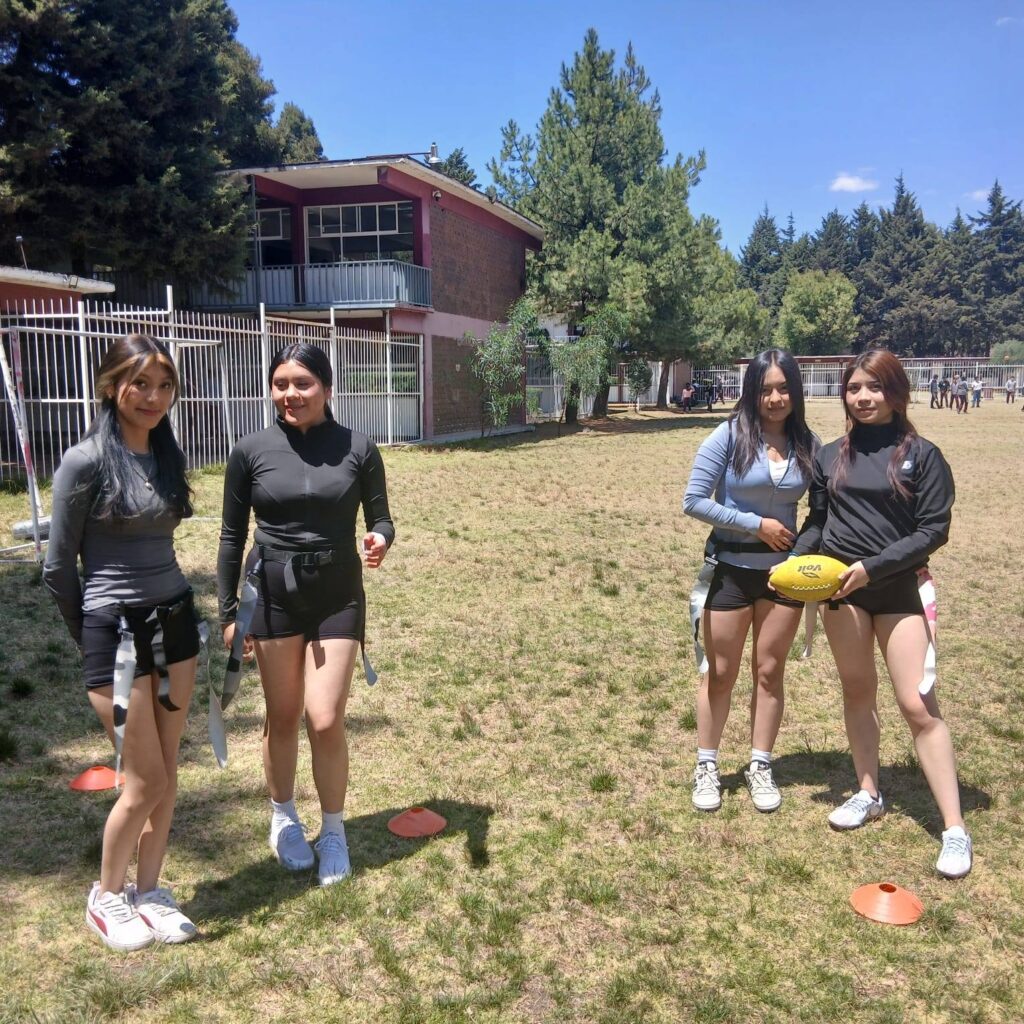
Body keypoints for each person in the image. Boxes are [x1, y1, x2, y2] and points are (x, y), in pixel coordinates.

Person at [43, 334, 201, 950]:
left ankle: (149, 891)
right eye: (140, 384)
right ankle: (106, 896)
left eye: (164, 385)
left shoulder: (165, 452)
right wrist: (93, 643)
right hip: (116, 633)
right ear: (113, 385)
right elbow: (59, 569)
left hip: (177, 622)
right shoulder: (84, 462)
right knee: (143, 781)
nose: (154, 397)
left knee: (168, 769)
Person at [217, 343, 395, 886]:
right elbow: (230, 537)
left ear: (327, 388)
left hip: (338, 590)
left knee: (324, 717)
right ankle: (285, 817)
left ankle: (334, 830)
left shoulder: (358, 448)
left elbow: (383, 517)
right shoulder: (251, 451)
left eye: (302, 383)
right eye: (280, 384)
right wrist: (230, 613)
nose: (289, 394)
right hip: (270, 594)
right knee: (283, 714)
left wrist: (379, 539)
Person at [791, 349, 972, 878]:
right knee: (857, 692)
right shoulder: (829, 455)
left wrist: (872, 568)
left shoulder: (923, 454)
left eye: (874, 387)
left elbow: (932, 530)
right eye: (854, 388)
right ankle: (868, 791)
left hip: (897, 591)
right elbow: (819, 520)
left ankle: (955, 829)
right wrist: (798, 561)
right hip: (842, 593)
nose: (863, 398)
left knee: (917, 705)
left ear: (896, 393)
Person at [682, 349, 818, 813]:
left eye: (783, 388)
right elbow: (694, 501)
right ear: (752, 391)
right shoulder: (727, 435)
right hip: (732, 571)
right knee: (720, 674)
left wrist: (802, 555)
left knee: (769, 671)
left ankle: (761, 765)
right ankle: (707, 765)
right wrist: (755, 524)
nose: (775, 398)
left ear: (795, 392)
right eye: (765, 389)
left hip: (785, 577)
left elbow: (820, 510)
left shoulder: (807, 443)